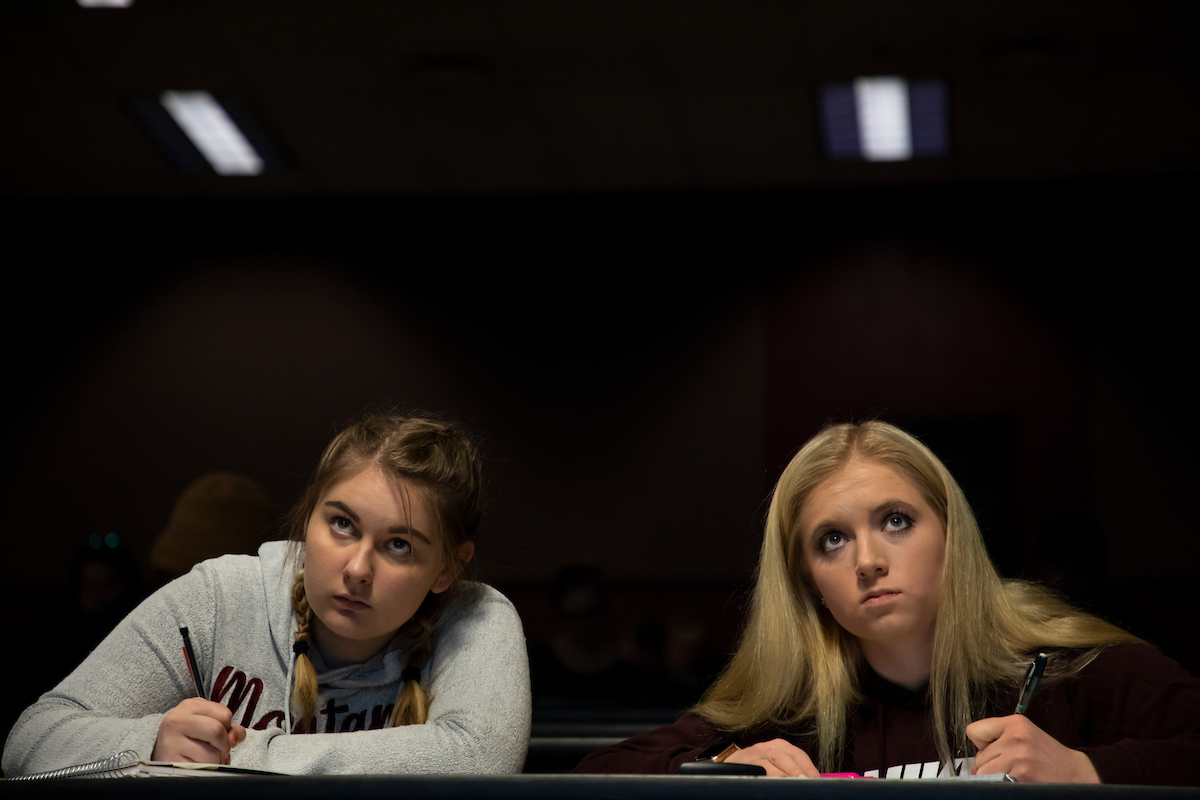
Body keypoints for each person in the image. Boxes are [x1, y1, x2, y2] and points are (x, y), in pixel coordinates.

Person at [574, 421, 1200, 785]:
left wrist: (1083, 771)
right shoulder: (792, 709)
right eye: (833, 539)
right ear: (807, 583)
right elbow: (594, 775)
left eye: (896, 520)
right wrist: (722, 763)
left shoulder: (1067, 668)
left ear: (952, 536)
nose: (868, 559)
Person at [3, 412, 531, 777]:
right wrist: (152, 743)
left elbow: (478, 753)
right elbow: (30, 741)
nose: (357, 569)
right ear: (308, 517)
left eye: (398, 544)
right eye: (342, 524)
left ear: (447, 567)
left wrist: (253, 752)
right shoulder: (219, 596)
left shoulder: (475, 616)